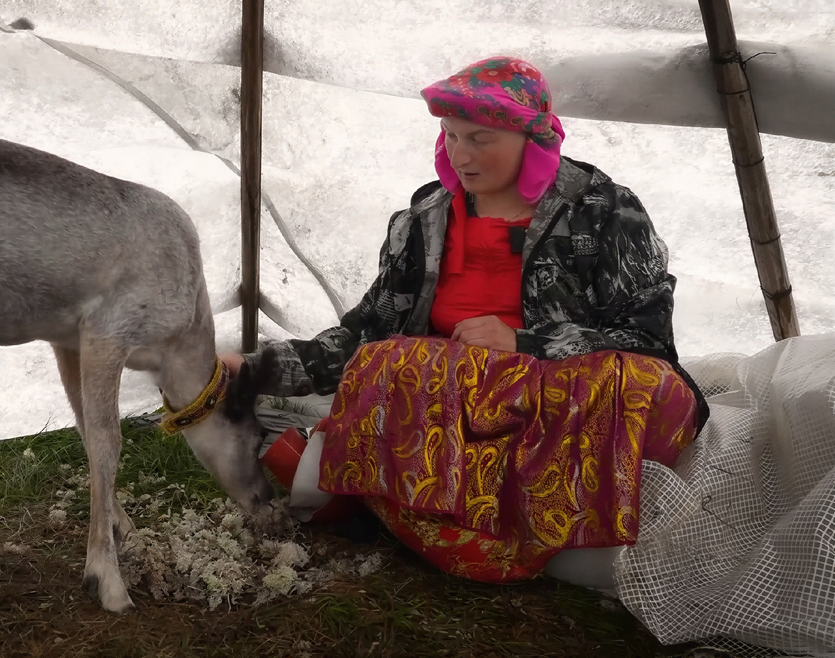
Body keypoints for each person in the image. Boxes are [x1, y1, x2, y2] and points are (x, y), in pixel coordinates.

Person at [223, 56, 708, 584]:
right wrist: (255, 368)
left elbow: (647, 341)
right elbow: (366, 332)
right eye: (451, 136)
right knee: (395, 362)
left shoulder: (605, 211)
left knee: (641, 388)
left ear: (534, 138)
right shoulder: (423, 221)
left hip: (559, 396)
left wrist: (525, 343)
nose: (461, 154)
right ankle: (486, 529)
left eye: (480, 138)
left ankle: (369, 491)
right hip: (453, 396)